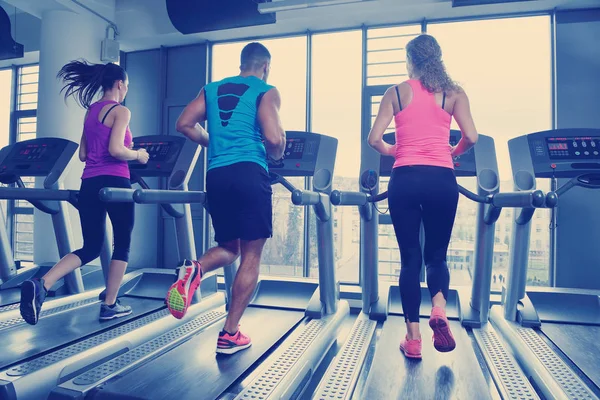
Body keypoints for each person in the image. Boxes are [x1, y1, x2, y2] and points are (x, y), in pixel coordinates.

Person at [167, 42, 286, 355]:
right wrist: (276, 152)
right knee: (251, 255)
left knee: (229, 247)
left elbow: (184, 124)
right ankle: (230, 333)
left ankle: (195, 268)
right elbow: (273, 138)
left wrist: (212, 141)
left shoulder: (211, 88)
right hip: (249, 172)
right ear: (265, 66)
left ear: (241, 64)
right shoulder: (266, 90)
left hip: (217, 175)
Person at [367, 34, 478, 359]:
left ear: (410, 60)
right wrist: (452, 152)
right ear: (438, 58)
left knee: (410, 259)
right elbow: (470, 136)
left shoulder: (396, 92)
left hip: (405, 178)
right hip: (441, 178)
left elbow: (374, 139)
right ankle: (440, 308)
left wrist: (393, 149)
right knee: (437, 256)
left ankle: (413, 340)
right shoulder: (454, 93)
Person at [19, 60, 150, 325]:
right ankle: (110, 304)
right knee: (122, 243)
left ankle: (42, 284)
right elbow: (115, 151)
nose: (126, 91)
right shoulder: (121, 111)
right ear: (119, 84)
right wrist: (138, 154)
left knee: (90, 246)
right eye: (126, 86)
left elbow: (83, 154)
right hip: (115, 184)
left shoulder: (91, 111)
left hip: (89, 183)